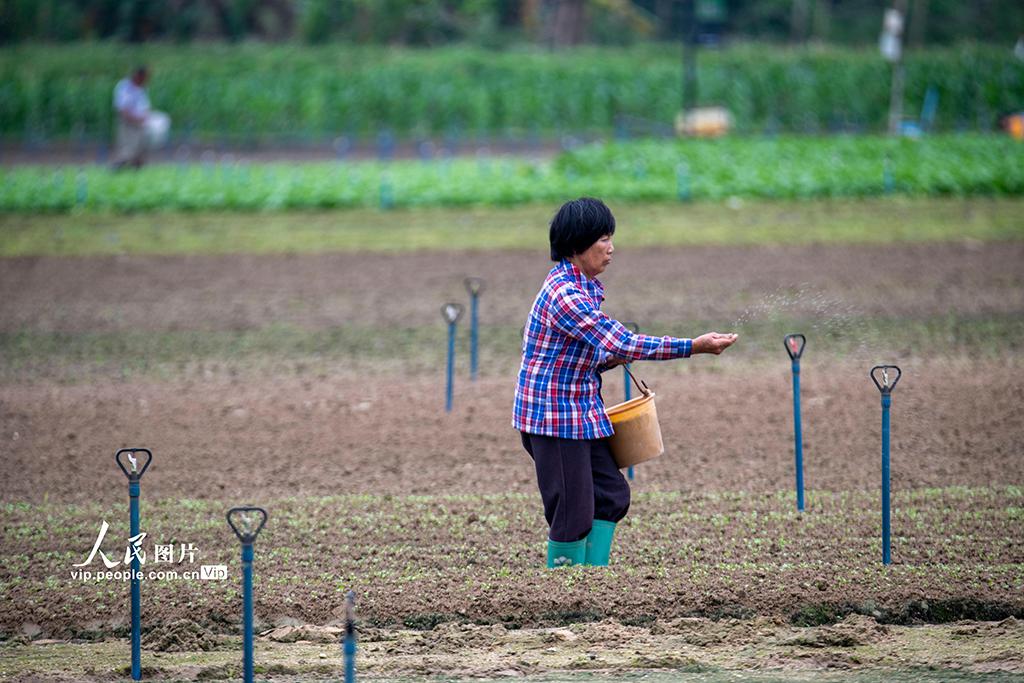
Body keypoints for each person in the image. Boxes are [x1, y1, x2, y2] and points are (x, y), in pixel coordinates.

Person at [512, 197, 738, 569]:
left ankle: (591, 582)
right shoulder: (566, 295)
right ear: (576, 244)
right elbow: (623, 341)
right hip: (553, 419)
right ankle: (562, 597)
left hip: (580, 413)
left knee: (611, 496)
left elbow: (579, 352)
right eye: (602, 238)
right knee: (572, 514)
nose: (611, 247)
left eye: (610, 237)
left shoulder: (581, 287)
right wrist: (693, 346)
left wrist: (605, 359)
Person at [111, 66, 152, 170]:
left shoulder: (142, 88)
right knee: (126, 150)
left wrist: (146, 118)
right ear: (138, 76)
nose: (145, 81)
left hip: (140, 123)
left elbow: (145, 107)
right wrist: (137, 119)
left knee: (139, 150)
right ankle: (116, 170)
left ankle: (136, 173)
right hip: (127, 123)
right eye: (144, 78)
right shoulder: (125, 87)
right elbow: (123, 110)